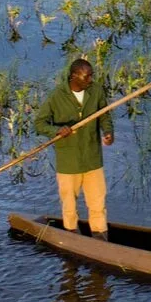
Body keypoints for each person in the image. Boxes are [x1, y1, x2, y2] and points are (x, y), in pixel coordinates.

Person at [36, 58, 114, 241]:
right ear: (74, 77)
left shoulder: (96, 91)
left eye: (91, 76)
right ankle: (72, 235)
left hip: (92, 158)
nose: (91, 80)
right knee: (69, 205)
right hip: (69, 161)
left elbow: (104, 115)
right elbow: (39, 124)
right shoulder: (57, 96)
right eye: (87, 77)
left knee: (97, 203)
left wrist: (108, 132)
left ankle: (100, 236)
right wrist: (56, 130)